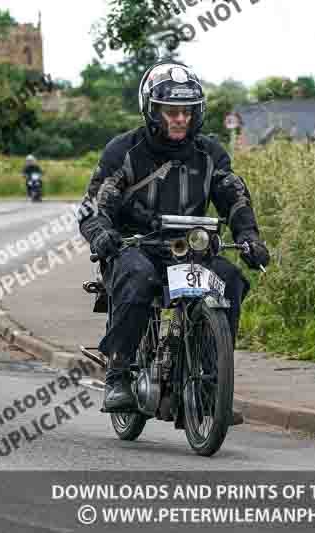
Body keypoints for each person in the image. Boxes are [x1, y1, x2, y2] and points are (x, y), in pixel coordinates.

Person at [76, 61, 269, 411]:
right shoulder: (124, 151)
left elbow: (233, 196)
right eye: (171, 111)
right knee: (138, 276)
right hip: (134, 247)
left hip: (188, 249)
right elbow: (93, 206)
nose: (180, 118)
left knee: (230, 278)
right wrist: (102, 235)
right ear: (152, 111)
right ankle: (118, 374)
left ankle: (211, 377)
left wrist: (249, 236)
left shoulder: (210, 154)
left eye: (186, 111)